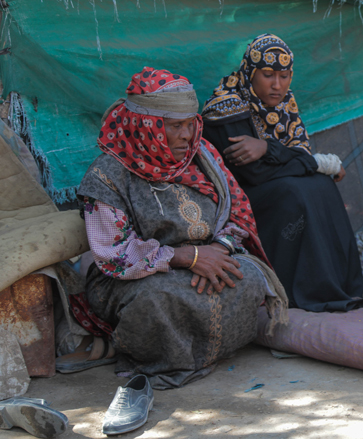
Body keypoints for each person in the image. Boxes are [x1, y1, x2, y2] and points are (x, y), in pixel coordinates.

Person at [78, 67, 288, 390]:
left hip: (209, 254)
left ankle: (196, 351)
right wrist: (188, 257)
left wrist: (219, 251)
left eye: (191, 125)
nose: (187, 136)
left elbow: (238, 210)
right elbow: (114, 253)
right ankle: (157, 357)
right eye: (175, 127)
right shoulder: (106, 176)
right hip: (139, 273)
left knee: (246, 280)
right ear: (147, 126)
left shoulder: (202, 155)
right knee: (157, 302)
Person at [201, 34, 363, 312]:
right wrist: (312, 162)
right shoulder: (226, 107)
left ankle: (339, 285)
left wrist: (268, 148)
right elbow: (254, 173)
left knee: (321, 185)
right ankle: (294, 288)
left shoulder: (284, 107)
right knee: (296, 192)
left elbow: (295, 158)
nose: (277, 85)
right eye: (267, 75)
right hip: (237, 199)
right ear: (250, 73)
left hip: (270, 182)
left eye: (284, 76)